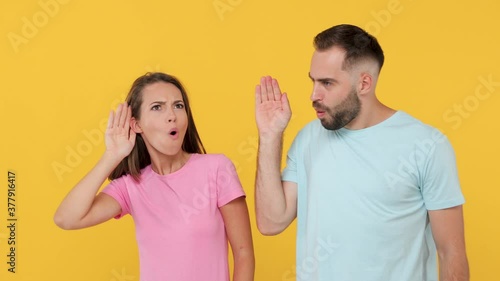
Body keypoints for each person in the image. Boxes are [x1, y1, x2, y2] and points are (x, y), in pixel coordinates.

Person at [254, 24, 469, 281]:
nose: (314, 95)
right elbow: (271, 222)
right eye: (313, 81)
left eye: (327, 83)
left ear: (364, 83)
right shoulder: (308, 139)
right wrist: (269, 135)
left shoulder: (427, 145)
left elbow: (451, 254)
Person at [54, 72, 254, 281]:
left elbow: (243, 253)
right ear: (136, 125)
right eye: (157, 107)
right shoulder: (130, 186)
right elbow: (66, 218)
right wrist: (111, 155)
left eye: (178, 105)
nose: (172, 115)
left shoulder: (216, 169)